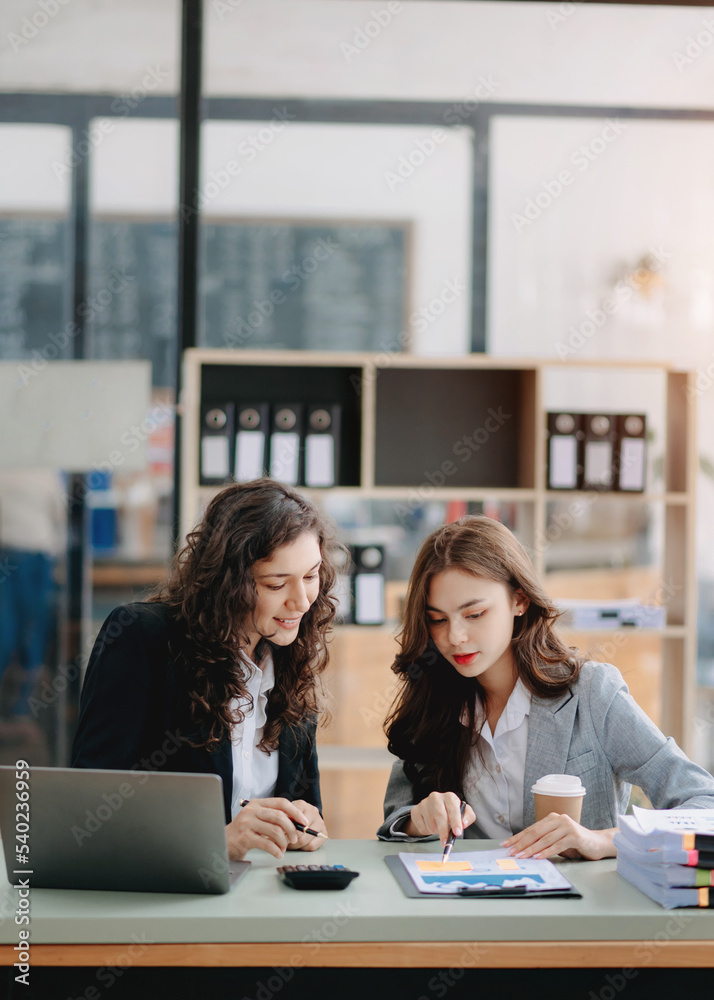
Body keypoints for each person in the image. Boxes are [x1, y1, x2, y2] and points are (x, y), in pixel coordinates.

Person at [377, 515, 714, 860]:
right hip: (466, 903)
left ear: (519, 601)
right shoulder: (434, 696)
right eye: (438, 619)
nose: (454, 637)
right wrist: (418, 819)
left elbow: (704, 804)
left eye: (475, 614)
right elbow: (395, 819)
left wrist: (602, 841)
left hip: (579, 907)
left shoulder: (592, 693)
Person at [72, 478, 338, 861]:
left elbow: (304, 805)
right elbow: (91, 808)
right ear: (229, 583)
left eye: (311, 576)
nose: (302, 601)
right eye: (277, 583)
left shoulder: (290, 656)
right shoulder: (141, 638)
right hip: (162, 903)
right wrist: (217, 840)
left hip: (263, 897)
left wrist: (305, 824)